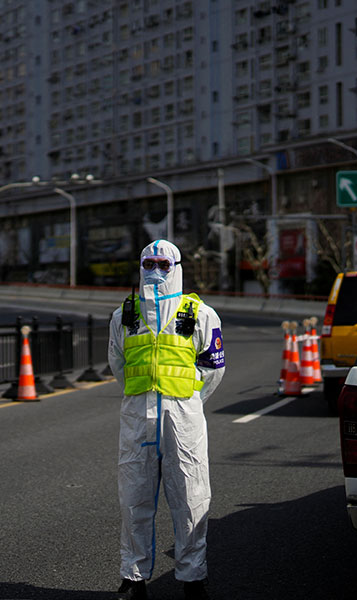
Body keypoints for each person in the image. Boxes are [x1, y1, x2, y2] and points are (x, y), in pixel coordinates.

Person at [108, 240, 226, 600]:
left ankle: (193, 578)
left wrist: (188, 401)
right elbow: (118, 364)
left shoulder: (199, 314)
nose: (155, 271)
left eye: (163, 263)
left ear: (176, 266)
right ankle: (133, 577)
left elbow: (213, 368)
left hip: (182, 420)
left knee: (191, 499)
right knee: (134, 500)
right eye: (148, 263)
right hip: (137, 420)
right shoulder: (124, 315)